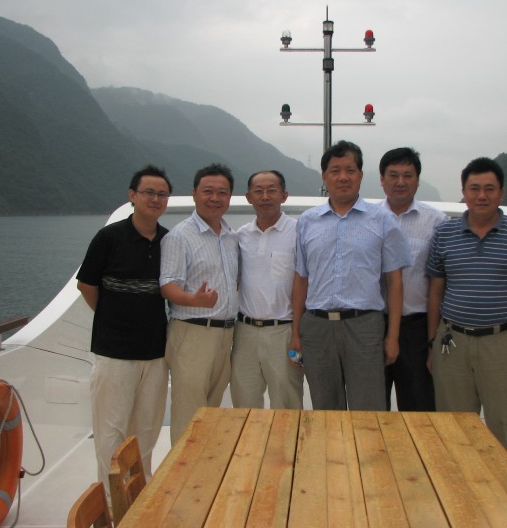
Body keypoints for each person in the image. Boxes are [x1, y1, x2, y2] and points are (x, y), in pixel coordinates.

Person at [426, 157, 507, 461]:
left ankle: (506, 487)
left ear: (501, 193)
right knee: (452, 426)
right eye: (475, 188)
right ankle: (456, 485)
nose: (482, 195)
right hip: (451, 340)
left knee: (504, 425)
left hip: (501, 340)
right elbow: (436, 290)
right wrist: (432, 342)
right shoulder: (444, 234)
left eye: (489, 189)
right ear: (464, 192)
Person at [290, 140, 411, 411]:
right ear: (324, 176)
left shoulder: (382, 219)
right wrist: (296, 333)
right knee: (324, 408)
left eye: (350, 170)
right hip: (317, 327)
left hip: (364, 325)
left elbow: (394, 282)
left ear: (361, 175)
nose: (343, 177)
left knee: (368, 410)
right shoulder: (307, 221)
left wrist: (392, 337)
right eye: (335, 171)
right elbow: (301, 279)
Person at [76, 165, 172, 495]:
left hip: (155, 353)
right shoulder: (109, 237)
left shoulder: (168, 240)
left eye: (162, 194)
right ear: (133, 195)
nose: (155, 199)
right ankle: (110, 500)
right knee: (110, 432)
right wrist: (111, 318)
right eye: (149, 192)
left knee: (146, 430)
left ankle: (139, 496)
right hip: (114, 352)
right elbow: (86, 284)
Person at [160, 163, 239, 444]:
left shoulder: (231, 237)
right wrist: (194, 299)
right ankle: (182, 470)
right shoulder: (180, 236)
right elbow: (167, 285)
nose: (215, 198)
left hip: (225, 335)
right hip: (192, 333)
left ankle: (202, 466)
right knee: (189, 414)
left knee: (210, 412)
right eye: (208, 191)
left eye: (222, 192)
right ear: (194, 193)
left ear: (230, 197)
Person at [378, 147, 447, 411]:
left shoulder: (436, 222)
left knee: (419, 408)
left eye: (408, 175)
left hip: (417, 329)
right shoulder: (368, 218)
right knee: (372, 408)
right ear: (382, 180)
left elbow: (442, 279)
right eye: (393, 175)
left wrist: (433, 339)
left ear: (418, 180)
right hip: (373, 325)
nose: (400, 182)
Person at [230, 170, 303, 409]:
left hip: (285, 333)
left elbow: (306, 283)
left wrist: (298, 334)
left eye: (271, 190)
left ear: (284, 195)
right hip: (245, 333)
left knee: (287, 404)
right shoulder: (240, 236)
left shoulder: (299, 232)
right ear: (248, 197)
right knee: (244, 403)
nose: (265, 196)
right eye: (258, 191)